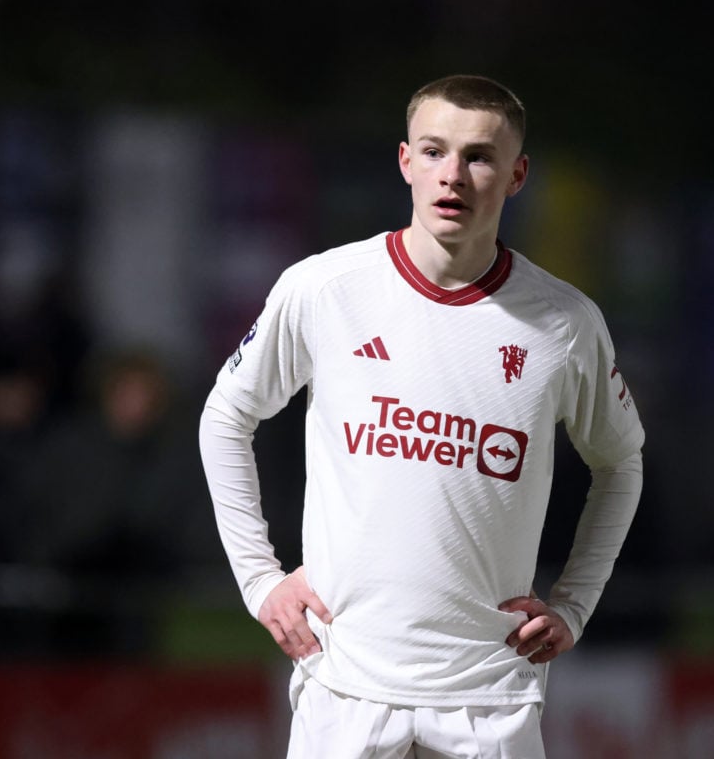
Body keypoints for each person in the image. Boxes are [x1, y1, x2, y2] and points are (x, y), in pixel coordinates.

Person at [198, 74, 645, 758]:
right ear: (405, 161)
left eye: (479, 156)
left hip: (489, 700)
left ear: (517, 174)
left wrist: (575, 603)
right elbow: (226, 416)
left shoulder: (566, 324)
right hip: (344, 690)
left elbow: (620, 463)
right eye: (434, 152)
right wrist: (261, 580)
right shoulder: (324, 288)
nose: (454, 176)